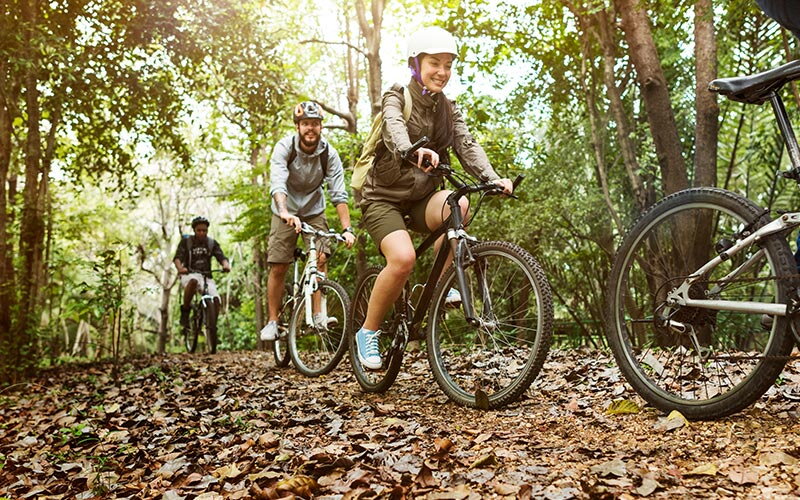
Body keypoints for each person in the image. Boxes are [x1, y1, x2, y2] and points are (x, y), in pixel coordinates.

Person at [353, 26, 514, 369]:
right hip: (383, 198)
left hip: (422, 198)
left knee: (462, 204)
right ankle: (367, 332)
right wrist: (413, 150)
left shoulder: (448, 110)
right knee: (402, 259)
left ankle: (440, 287)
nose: (442, 71)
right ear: (416, 64)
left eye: (448, 65)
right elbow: (393, 127)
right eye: (434, 63)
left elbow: (467, 146)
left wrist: (492, 178)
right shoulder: (397, 95)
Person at [260, 101, 356, 341]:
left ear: (321, 126)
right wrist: (284, 211)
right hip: (285, 209)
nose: (310, 128)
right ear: (297, 126)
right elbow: (278, 183)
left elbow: (339, 193)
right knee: (278, 264)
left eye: (315, 123)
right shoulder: (284, 147)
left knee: (322, 257)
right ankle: (273, 321)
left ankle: (318, 314)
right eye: (305, 124)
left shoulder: (328, 154)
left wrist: (347, 229)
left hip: (314, 209)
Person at [173, 216, 231, 348]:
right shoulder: (186, 242)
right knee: (193, 281)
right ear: (194, 230)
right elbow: (177, 258)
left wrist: (225, 265)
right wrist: (180, 268)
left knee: (216, 299)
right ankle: (186, 311)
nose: (202, 233)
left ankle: (211, 328)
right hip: (189, 274)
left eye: (204, 230)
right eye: (199, 230)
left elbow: (221, 256)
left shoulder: (211, 243)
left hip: (206, 276)